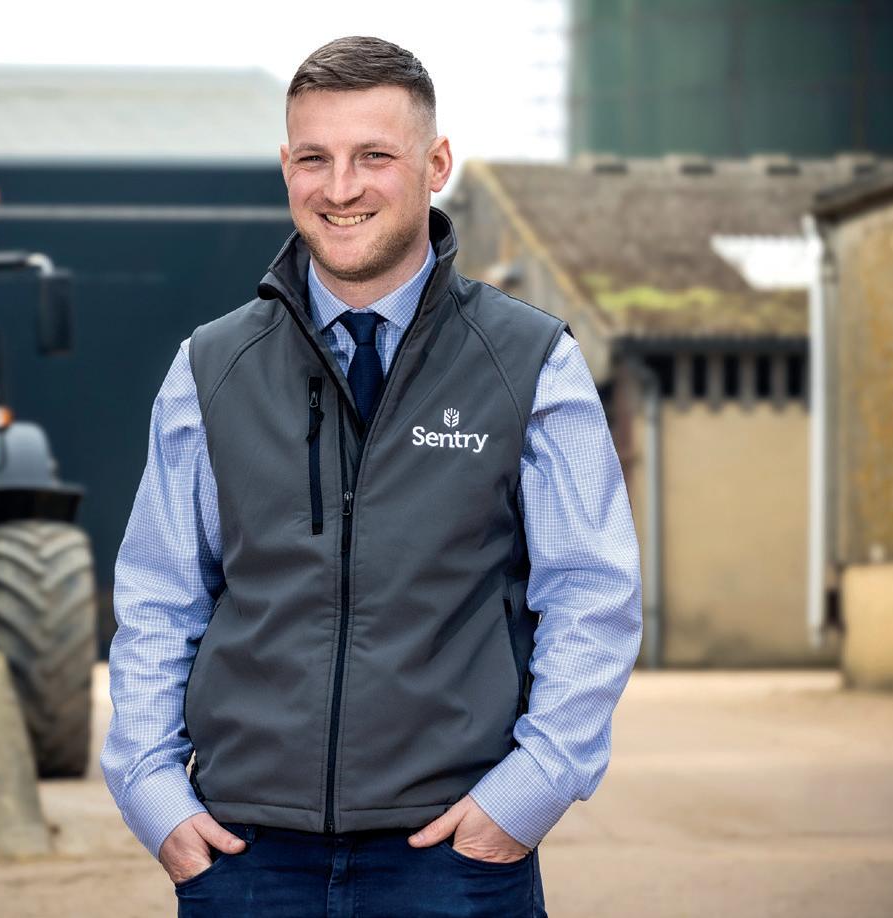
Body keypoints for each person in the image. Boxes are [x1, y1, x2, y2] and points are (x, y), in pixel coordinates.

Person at [102, 36, 643, 917]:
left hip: (452, 856)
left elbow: (592, 593)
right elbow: (160, 597)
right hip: (244, 857)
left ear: (436, 166)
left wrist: (526, 795)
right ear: (286, 166)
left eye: (373, 157)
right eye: (314, 158)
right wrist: (153, 795)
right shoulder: (209, 367)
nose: (340, 187)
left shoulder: (529, 360)